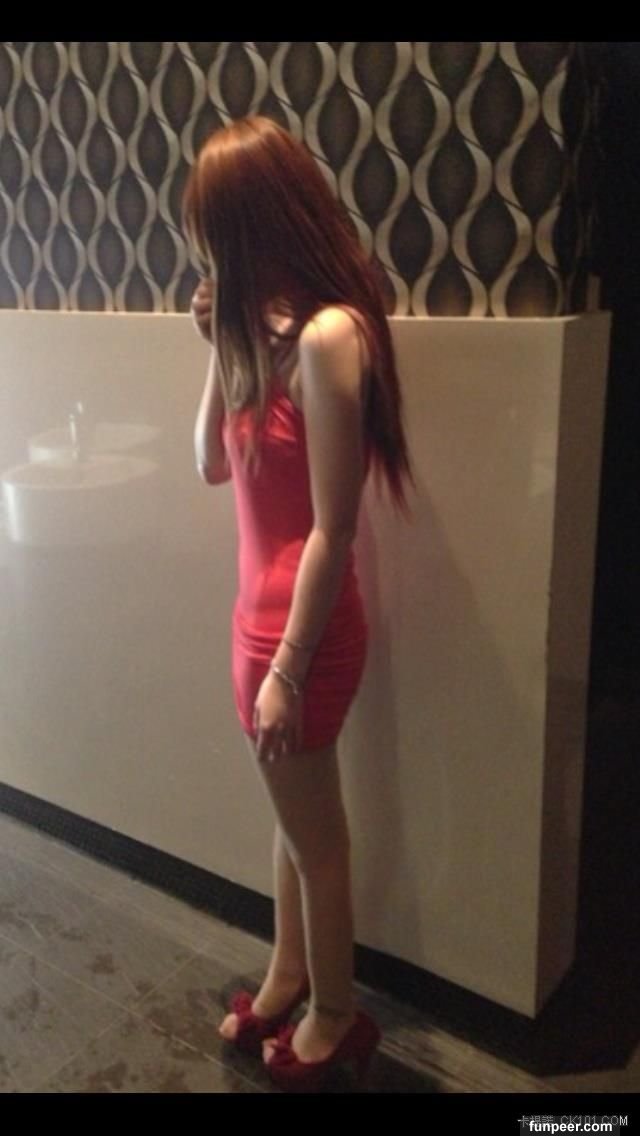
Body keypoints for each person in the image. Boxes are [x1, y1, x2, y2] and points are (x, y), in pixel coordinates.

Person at [183, 115, 415, 1093]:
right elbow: (206, 461)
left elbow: (334, 524)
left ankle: (335, 1014)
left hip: (299, 641)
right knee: (294, 822)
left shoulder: (327, 336)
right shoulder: (266, 335)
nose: (205, 253)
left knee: (319, 844)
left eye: (212, 231)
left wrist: (285, 668)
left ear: (250, 224)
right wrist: (217, 342)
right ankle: (288, 976)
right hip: (260, 629)